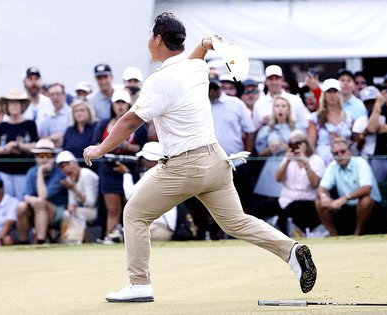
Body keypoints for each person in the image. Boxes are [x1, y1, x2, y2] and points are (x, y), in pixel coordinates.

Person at [83, 13, 317, 302]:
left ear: (158, 39)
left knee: (134, 215)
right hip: (216, 163)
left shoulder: (159, 81)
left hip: (184, 167)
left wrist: (99, 149)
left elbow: (131, 122)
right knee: (237, 222)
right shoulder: (197, 67)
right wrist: (206, 43)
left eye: (150, 36)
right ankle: (291, 251)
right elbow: (196, 55)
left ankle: (139, 284)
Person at [93, 89, 147, 244]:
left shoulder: (139, 125)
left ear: (128, 104)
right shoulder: (103, 124)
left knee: (130, 208)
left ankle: (131, 240)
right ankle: (110, 236)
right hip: (108, 170)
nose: (120, 106)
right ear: (112, 105)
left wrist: (122, 145)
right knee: (112, 209)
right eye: (117, 103)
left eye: (123, 103)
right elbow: (96, 143)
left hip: (130, 169)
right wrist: (111, 145)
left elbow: (141, 147)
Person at [316, 137, 382, 236]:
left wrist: (345, 198)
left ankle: (358, 235)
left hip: (372, 208)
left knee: (365, 200)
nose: (340, 155)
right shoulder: (333, 165)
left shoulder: (360, 162)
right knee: (320, 203)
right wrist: (324, 197)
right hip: (347, 208)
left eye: (343, 151)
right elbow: (321, 188)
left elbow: (367, 188)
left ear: (350, 152)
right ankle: (334, 237)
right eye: (336, 153)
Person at [114, 142, 177, 241]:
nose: (143, 161)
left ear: (152, 159)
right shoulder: (163, 170)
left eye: (145, 159)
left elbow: (130, 195)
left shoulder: (154, 172)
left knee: (126, 234)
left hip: (159, 228)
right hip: (163, 227)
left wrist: (126, 174)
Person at [209, 78, 256, 212]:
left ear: (220, 88)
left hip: (237, 164)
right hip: (210, 165)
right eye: (209, 88)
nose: (212, 92)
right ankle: (214, 232)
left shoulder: (235, 103)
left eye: (215, 88)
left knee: (241, 201)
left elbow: (250, 130)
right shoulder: (199, 103)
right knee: (214, 203)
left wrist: (247, 154)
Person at [252, 96, 297, 220]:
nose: (280, 109)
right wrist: (269, 150)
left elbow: (303, 149)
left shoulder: (295, 128)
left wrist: (287, 147)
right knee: (269, 200)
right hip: (271, 166)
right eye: (277, 106)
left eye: (283, 106)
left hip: (290, 165)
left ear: (288, 110)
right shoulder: (266, 130)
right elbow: (259, 153)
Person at [0, 89, 38, 201]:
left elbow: (36, 145)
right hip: (5, 171)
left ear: (22, 106)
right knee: (7, 202)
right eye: (11, 103)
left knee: (22, 202)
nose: (14, 106)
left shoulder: (29, 124)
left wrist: (19, 145)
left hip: (24, 172)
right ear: (6, 106)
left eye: (17, 102)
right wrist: (5, 148)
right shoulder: (2, 125)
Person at [16, 139, 67, 244]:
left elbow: (43, 196)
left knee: (40, 203)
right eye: (40, 155)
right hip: (37, 208)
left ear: (53, 157)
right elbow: (26, 195)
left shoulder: (59, 173)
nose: (44, 159)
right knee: (21, 206)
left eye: (47, 155)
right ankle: (23, 242)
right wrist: (33, 200)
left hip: (58, 211)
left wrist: (40, 173)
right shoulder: (31, 171)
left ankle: (40, 241)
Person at [275, 130, 325, 235]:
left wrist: (306, 163)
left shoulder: (316, 160)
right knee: (260, 208)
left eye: (298, 143)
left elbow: (315, 183)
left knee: (293, 208)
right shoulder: (288, 159)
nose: (295, 146)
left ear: (305, 144)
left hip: (306, 200)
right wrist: (288, 161)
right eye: (292, 144)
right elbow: (278, 178)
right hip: (285, 199)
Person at [308, 78, 353, 165]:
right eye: (329, 92)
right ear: (324, 95)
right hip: (322, 164)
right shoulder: (314, 118)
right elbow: (311, 146)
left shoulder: (349, 117)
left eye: (335, 91)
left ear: (340, 94)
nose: (332, 95)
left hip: (345, 163)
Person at [56, 151, 99, 241]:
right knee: (68, 213)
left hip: (97, 210)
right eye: (62, 166)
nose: (66, 168)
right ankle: (71, 243)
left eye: (67, 164)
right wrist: (71, 207)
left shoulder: (86, 175)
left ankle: (74, 242)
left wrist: (74, 189)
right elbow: (72, 203)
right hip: (82, 209)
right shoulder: (69, 178)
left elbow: (91, 203)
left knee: (75, 214)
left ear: (75, 163)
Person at [252, 65, 310, 131]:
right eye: (270, 79)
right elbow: (255, 129)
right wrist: (263, 122)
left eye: (277, 78)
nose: (274, 82)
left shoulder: (295, 100)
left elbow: (304, 124)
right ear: (266, 81)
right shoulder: (259, 104)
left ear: (282, 80)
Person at [21, 67, 55, 135]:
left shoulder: (48, 102)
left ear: (41, 81)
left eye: (36, 79)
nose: (34, 83)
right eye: (30, 79)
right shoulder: (19, 102)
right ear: (24, 82)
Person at [39, 82, 72, 147]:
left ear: (64, 95)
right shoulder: (46, 115)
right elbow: (42, 137)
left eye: (58, 94)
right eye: (52, 94)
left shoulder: (72, 113)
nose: (55, 97)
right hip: (49, 152)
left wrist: (63, 136)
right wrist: (50, 139)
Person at [352, 86, 380, 157]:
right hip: (365, 158)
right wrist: (364, 133)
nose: (370, 105)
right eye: (367, 103)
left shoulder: (384, 117)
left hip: (381, 157)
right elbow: (357, 147)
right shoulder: (360, 121)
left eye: (373, 101)